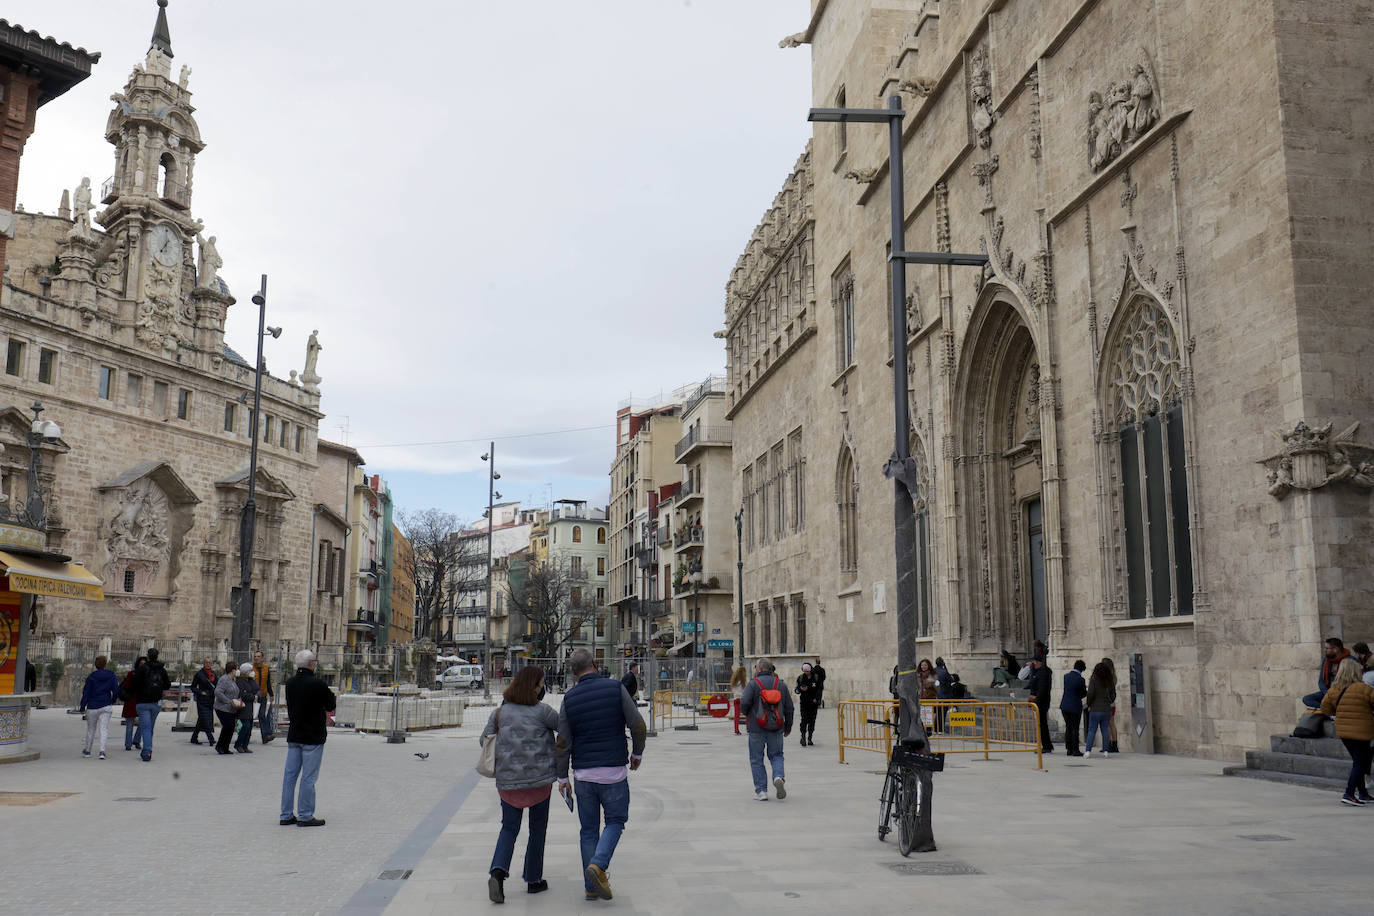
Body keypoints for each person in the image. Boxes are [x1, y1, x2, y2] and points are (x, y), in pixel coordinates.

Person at [556, 647, 645, 902]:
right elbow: (637, 724)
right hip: (614, 772)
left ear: (573, 673)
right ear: (595, 664)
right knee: (615, 821)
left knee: (588, 830)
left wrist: (562, 778)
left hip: (583, 775)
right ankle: (598, 865)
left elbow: (563, 741)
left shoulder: (569, 699)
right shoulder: (615, 689)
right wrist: (637, 753)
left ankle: (590, 887)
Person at [481, 666, 562, 903]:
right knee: (537, 830)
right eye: (541, 684)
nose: (542, 688)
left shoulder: (499, 714)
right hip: (539, 783)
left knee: (509, 828)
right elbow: (565, 731)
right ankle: (534, 880)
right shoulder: (543, 712)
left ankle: (497, 872)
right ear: (534, 686)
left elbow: (483, 741)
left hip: (508, 784)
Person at [282, 649, 336, 827]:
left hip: (295, 734)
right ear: (312, 664)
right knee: (308, 777)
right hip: (312, 735)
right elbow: (330, 705)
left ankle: (286, 814)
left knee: (290, 776)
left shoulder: (290, 683)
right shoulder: (318, 684)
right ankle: (305, 815)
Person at [1319, 657, 1374, 806]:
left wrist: (1337, 714)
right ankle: (1349, 793)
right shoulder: (1364, 688)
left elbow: (1324, 708)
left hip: (1343, 731)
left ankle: (1363, 794)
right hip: (1362, 731)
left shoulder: (1333, 690)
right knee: (1360, 763)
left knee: (1358, 762)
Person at [740, 657, 794, 801]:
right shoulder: (780, 684)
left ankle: (761, 791)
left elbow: (744, 703)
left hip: (756, 727)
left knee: (756, 758)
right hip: (776, 728)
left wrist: (748, 715)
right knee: (776, 755)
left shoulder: (753, 684)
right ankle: (778, 777)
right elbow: (789, 707)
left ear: (759, 669)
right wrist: (788, 726)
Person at [132, 647, 170, 762]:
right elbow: (167, 685)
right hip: (155, 702)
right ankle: (147, 748)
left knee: (146, 728)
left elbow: (134, 683)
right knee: (150, 728)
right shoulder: (162, 670)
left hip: (143, 702)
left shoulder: (142, 669)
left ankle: (147, 751)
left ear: (148, 656)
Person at [79, 655, 120, 759]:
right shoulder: (111, 675)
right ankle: (102, 751)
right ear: (105, 664)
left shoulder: (91, 677)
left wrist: (82, 706)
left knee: (91, 729)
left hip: (92, 706)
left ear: (95, 665)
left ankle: (87, 751)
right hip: (105, 704)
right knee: (104, 729)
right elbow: (116, 690)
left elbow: (86, 693)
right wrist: (113, 700)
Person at [1302, 637, 1351, 709]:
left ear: (1336, 649)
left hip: (1344, 692)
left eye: (1327, 648)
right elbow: (1321, 681)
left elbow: (1354, 680)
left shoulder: (1350, 660)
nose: (1325, 650)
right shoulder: (1326, 660)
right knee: (1307, 699)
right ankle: (1329, 710)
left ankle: (1333, 709)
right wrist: (1328, 693)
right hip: (1329, 692)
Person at [1085, 661, 1116, 756]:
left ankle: (1088, 751)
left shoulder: (1094, 679)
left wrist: (1088, 704)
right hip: (1107, 709)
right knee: (1105, 730)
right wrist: (1109, 701)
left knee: (1092, 730)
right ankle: (1106, 751)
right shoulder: (1110, 680)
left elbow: (1090, 694)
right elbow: (1113, 694)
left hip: (1095, 709)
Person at [214, 660, 244, 755]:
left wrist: (238, 701)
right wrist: (228, 701)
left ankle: (225, 747)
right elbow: (218, 692)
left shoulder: (233, 680)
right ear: (232, 670)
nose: (238, 671)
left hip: (231, 709)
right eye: (236, 669)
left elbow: (235, 693)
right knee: (228, 726)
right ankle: (220, 746)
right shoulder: (224, 679)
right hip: (222, 708)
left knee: (230, 728)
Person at [1026, 654, 1054, 753]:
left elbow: (1042, 689)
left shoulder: (1043, 673)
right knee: (1042, 724)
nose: (1033, 664)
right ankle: (1047, 745)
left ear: (1038, 662)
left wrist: (1035, 700)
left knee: (1042, 724)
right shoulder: (1039, 672)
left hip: (1041, 702)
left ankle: (1046, 746)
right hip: (1041, 701)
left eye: (1034, 662)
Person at [1059, 660, 1088, 757]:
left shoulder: (1066, 677)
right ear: (1082, 669)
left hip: (1065, 705)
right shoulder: (1081, 680)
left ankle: (1069, 749)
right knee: (1075, 728)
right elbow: (1083, 694)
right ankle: (1075, 750)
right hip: (1075, 706)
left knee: (1068, 727)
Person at [189, 657, 217, 744]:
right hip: (202, 700)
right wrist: (201, 692)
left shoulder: (213, 673)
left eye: (209, 662)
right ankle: (210, 739)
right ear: (204, 663)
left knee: (202, 719)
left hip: (210, 699)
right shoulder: (199, 674)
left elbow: (217, 684)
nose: (208, 664)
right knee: (205, 718)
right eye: (206, 662)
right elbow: (193, 687)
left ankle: (194, 738)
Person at [120, 657, 146, 751]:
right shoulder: (132, 674)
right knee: (130, 724)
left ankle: (136, 740)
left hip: (141, 700)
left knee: (143, 723)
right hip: (132, 700)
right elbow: (127, 686)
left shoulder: (146, 675)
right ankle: (128, 744)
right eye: (141, 663)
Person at [234, 663, 259, 753]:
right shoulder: (240, 682)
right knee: (245, 727)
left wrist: (256, 695)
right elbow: (243, 695)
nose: (252, 672)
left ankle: (245, 745)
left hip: (250, 708)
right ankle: (238, 744)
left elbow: (257, 689)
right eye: (250, 670)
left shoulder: (251, 680)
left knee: (249, 728)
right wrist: (253, 697)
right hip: (243, 708)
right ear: (245, 672)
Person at [252, 650, 276, 744]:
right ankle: (244, 735)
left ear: (262, 658)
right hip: (253, 697)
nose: (256, 658)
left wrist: (271, 694)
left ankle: (266, 736)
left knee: (262, 715)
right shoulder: (251, 668)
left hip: (263, 696)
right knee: (249, 718)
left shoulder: (266, 668)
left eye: (258, 656)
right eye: (255, 656)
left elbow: (268, 682)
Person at [795, 662, 819, 746]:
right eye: (805, 671)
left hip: (813, 704)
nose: (806, 673)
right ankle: (803, 737)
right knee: (804, 720)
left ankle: (810, 738)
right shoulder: (800, 678)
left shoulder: (816, 678)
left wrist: (817, 698)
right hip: (804, 703)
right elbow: (796, 690)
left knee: (812, 721)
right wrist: (800, 689)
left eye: (808, 671)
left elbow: (819, 689)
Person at [729, 666, 748, 735]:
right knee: (747, 714)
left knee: (736, 716)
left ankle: (736, 730)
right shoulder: (745, 681)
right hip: (743, 699)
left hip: (736, 699)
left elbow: (733, 689)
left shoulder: (734, 681)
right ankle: (748, 728)